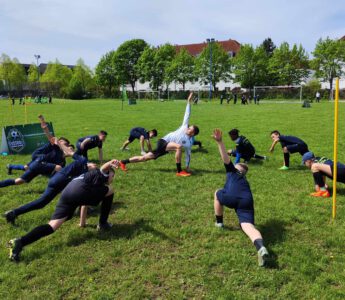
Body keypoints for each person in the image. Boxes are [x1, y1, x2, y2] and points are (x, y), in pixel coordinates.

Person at [7, 159, 119, 262]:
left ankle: (20, 242)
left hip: (67, 193)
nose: (112, 179)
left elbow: (84, 202)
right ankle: (103, 223)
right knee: (110, 190)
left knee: (52, 225)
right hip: (78, 191)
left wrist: (82, 223)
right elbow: (103, 169)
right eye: (112, 176)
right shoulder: (99, 175)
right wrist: (110, 163)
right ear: (108, 174)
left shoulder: (88, 178)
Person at [212, 129, 269, 267]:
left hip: (231, 197)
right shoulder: (244, 180)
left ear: (238, 168)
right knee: (248, 226)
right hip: (247, 200)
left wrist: (220, 142)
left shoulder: (232, 170)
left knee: (217, 193)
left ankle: (219, 223)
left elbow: (225, 157)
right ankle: (260, 247)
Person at [3, 148, 98, 225]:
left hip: (56, 181)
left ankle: (14, 213)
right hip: (59, 182)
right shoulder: (83, 160)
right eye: (95, 165)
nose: (95, 167)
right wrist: (61, 145)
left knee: (41, 203)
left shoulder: (87, 173)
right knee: (60, 203)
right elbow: (71, 153)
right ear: (90, 163)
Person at [119, 92, 199, 177]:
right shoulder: (184, 127)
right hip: (163, 142)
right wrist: (189, 101)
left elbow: (188, 154)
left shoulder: (189, 143)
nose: (188, 128)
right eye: (189, 127)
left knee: (144, 158)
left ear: (193, 133)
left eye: (190, 129)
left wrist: (187, 166)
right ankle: (179, 171)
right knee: (178, 147)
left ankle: (123, 162)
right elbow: (187, 114)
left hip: (166, 149)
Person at [1, 117, 71, 188]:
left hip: (39, 166)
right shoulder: (56, 147)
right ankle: (63, 185)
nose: (64, 145)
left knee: (19, 181)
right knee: (58, 168)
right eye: (62, 143)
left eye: (66, 145)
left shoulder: (63, 162)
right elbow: (49, 136)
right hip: (39, 161)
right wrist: (44, 127)